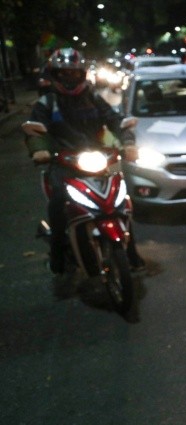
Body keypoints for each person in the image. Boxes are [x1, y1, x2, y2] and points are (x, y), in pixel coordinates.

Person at [25, 47, 145, 275]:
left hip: (97, 159)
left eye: (74, 73)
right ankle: (58, 256)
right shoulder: (46, 103)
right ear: (55, 75)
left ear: (82, 74)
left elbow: (116, 120)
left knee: (121, 201)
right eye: (64, 74)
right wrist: (40, 151)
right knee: (59, 203)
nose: (70, 78)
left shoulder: (93, 98)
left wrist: (128, 143)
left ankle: (131, 253)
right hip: (63, 164)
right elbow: (35, 133)